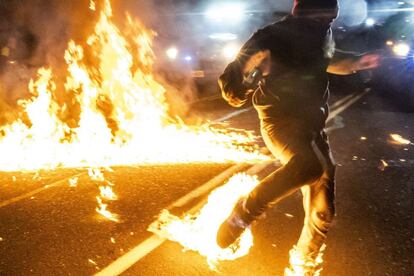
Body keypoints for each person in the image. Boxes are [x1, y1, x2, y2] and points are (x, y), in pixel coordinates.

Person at [216, 0, 379, 275]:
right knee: (308, 167)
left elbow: (326, 57)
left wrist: (356, 61)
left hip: (312, 127)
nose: (329, 18)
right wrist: (248, 79)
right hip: (280, 123)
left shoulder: (321, 32)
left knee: (323, 209)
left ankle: (304, 262)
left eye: (331, 14)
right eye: (325, 12)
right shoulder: (271, 36)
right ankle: (243, 212)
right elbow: (230, 87)